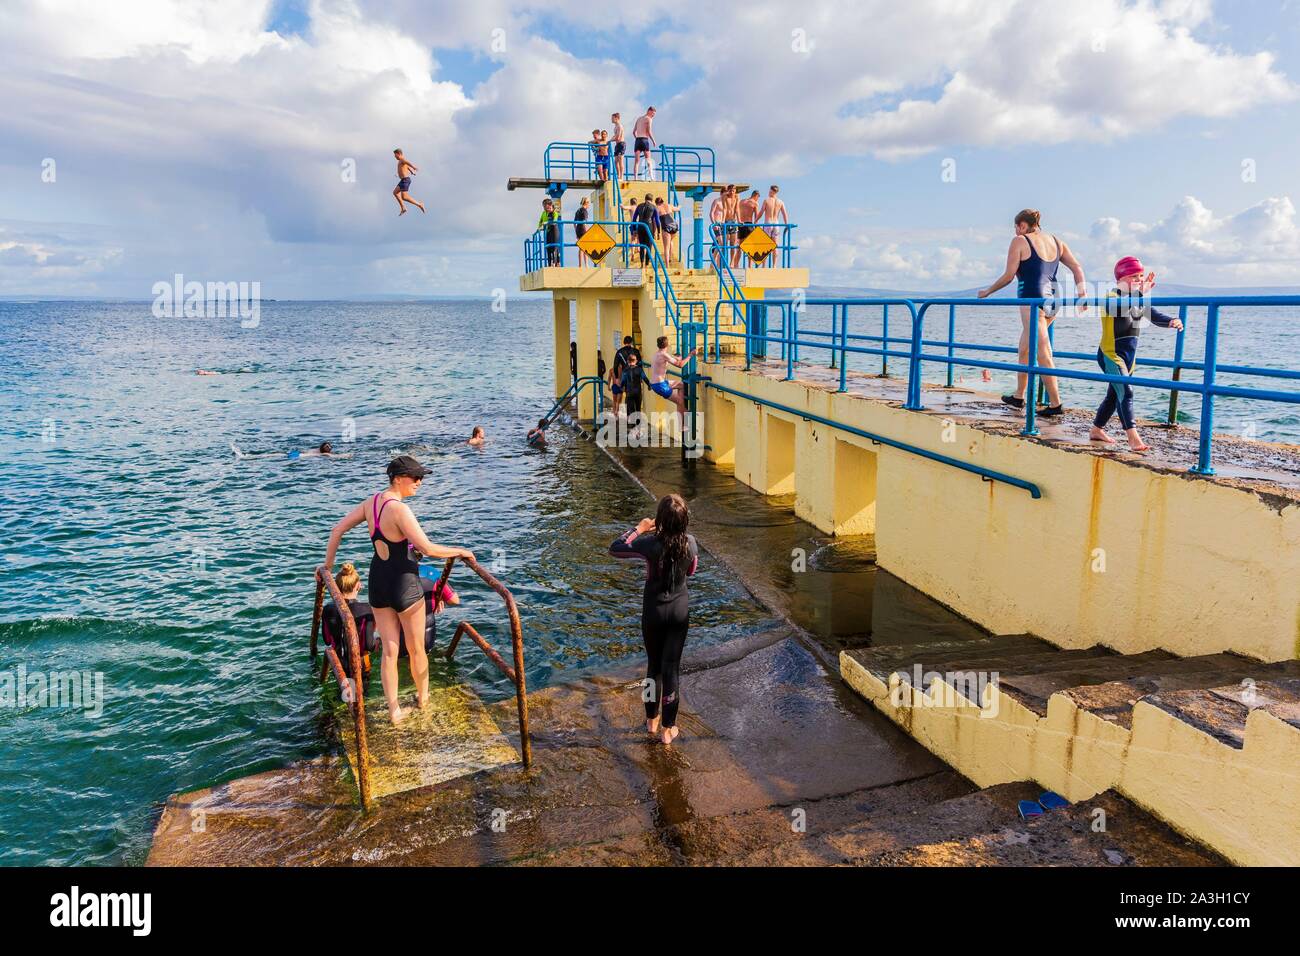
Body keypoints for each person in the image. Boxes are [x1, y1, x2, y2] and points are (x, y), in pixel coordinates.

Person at [324, 455, 476, 725]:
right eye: (415, 477)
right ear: (398, 478)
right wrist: (461, 551)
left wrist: (326, 566)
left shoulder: (371, 503)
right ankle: (423, 699)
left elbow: (337, 530)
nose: (419, 482)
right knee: (417, 649)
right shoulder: (400, 510)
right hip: (405, 585)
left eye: (422, 477)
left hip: (378, 583)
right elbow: (428, 549)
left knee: (390, 652)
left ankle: (394, 711)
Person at [978, 209, 1087, 417]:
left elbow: (1009, 276)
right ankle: (1019, 396)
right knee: (1025, 349)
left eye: (1016, 228)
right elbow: (1076, 267)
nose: (1016, 232)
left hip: (1032, 299)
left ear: (1022, 225)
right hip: (1053, 300)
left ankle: (1056, 405)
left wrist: (988, 291)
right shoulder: (1056, 241)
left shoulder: (1019, 241)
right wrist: (1081, 292)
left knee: (1043, 352)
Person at [609, 494, 699, 746]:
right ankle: (668, 730)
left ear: (659, 520)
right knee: (672, 669)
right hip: (679, 611)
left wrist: (639, 528)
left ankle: (651, 721)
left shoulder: (649, 544)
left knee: (654, 668)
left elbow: (615, 547)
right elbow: (691, 570)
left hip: (654, 612)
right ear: (684, 522)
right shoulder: (691, 543)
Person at [1090, 257, 1183, 452]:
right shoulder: (1111, 298)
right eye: (1134, 276)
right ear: (1120, 279)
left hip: (1128, 359)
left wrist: (1171, 321)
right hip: (1111, 355)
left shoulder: (1137, 300)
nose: (1139, 280)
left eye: (1141, 276)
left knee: (1114, 396)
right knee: (1126, 392)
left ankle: (1096, 430)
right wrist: (1141, 292)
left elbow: (1153, 315)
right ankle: (1133, 438)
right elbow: (1117, 309)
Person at [650, 335, 698, 428]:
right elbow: (680, 365)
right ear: (667, 345)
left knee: (681, 385)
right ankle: (682, 423)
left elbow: (670, 359)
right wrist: (690, 355)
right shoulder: (663, 355)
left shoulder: (658, 353)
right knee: (680, 402)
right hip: (660, 385)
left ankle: (682, 410)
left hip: (658, 383)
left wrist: (678, 358)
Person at [757, 185, 788, 269]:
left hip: (768, 223)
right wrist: (786, 224)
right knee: (775, 246)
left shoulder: (766, 200)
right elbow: (784, 214)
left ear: (771, 191)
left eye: (769, 191)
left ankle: (764, 266)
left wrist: (755, 220)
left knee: (765, 246)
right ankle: (774, 266)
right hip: (776, 224)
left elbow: (761, 212)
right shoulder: (780, 202)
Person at [392, 148, 425, 216]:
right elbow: (406, 166)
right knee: (395, 192)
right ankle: (403, 207)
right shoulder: (400, 161)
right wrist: (411, 171)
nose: (395, 157)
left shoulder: (402, 159)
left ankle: (419, 204)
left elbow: (407, 162)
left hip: (405, 180)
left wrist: (413, 167)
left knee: (404, 197)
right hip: (402, 181)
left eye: (395, 155)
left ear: (399, 154)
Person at [610, 335, 637, 416]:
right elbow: (639, 363)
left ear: (623, 342)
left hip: (625, 376)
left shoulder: (619, 352)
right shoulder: (635, 351)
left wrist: (617, 378)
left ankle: (628, 415)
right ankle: (633, 414)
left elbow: (615, 365)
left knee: (626, 395)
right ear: (631, 342)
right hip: (635, 375)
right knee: (633, 396)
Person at [633, 193, 658, 267]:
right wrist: (658, 232)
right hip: (649, 227)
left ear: (645, 199)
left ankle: (641, 264)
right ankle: (646, 264)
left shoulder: (639, 206)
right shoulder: (653, 207)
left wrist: (634, 229)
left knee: (641, 246)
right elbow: (657, 220)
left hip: (640, 227)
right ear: (652, 200)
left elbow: (634, 218)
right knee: (649, 246)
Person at [632, 107, 657, 180]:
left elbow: (634, 132)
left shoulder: (639, 118)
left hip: (638, 140)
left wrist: (637, 139)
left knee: (637, 161)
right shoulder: (649, 119)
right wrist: (653, 141)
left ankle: (635, 177)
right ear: (649, 111)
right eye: (653, 113)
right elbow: (649, 132)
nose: (653, 115)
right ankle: (651, 177)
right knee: (648, 159)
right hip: (644, 140)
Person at [655, 197, 680, 267]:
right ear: (663, 201)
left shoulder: (657, 209)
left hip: (666, 227)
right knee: (670, 241)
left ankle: (667, 265)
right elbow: (677, 209)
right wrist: (679, 205)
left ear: (656, 203)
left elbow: (656, 221)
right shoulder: (669, 205)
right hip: (674, 226)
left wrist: (657, 232)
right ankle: (670, 258)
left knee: (666, 247)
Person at [539, 198, 561, 266]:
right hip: (548, 231)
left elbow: (554, 221)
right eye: (543, 206)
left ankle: (556, 263)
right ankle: (549, 264)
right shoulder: (544, 213)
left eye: (545, 205)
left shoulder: (555, 213)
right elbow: (540, 221)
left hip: (554, 231)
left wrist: (546, 223)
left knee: (555, 247)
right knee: (548, 248)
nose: (544, 207)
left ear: (549, 205)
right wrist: (540, 227)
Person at [574, 196, 592, 266]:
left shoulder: (578, 211)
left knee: (581, 247)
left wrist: (576, 232)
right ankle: (585, 264)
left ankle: (580, 264)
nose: (589, 205)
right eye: (588, 203)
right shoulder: (584, 211)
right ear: (586, 203)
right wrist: (587, 231)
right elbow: (584, 223)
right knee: (584, 248)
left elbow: (574, 223)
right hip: (583, 230)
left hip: (578, 229)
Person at [610, 112, 626, 181]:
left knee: (620, 160)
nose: (611, 119)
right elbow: (615, 136)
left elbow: (618, 137)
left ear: (617, 118)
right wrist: (610, 139)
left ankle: (621, 176)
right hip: (617, 145)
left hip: (621, 144)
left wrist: (610, 141)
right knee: (616, 161)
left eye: (613, 118)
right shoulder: (615, 127)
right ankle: (618, 175)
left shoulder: (620, 126)